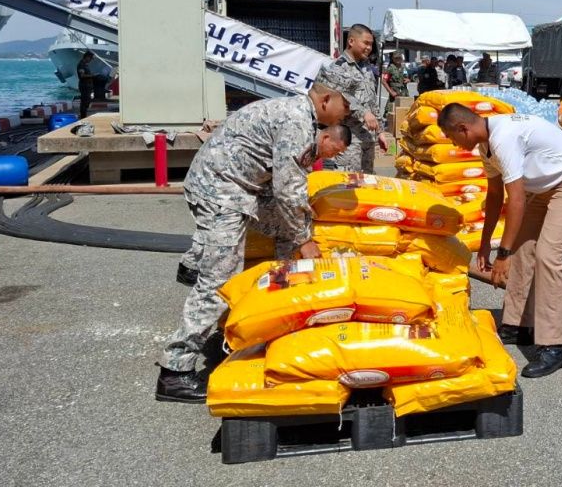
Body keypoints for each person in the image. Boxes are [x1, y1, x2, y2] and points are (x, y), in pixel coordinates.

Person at [156, 75, 358, 403]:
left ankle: (271, 303)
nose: (344, 117)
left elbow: (285, 190)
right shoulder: (297, 123)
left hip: (241, 185)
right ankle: (175, 371)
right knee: (219, 279)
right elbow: (288, 190)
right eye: (343, 108)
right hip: (222, 190)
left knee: (284, 230)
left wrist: (295, 232)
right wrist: (304, 238)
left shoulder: (297, 113)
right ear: (325, 102)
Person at [438, 104, 562, 379]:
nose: (454, 143)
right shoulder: (485, 145)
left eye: (453, 137)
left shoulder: (503, 137)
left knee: (548, 256)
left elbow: (517, 199)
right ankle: (518, 324)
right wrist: (487, 241)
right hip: (546, 187)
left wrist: (503, 253)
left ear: (463, 128)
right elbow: (494, 195)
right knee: (524, 250)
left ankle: (555, 345)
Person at [316, 24, 388, 173]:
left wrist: (380, 131)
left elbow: (371, 101)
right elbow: (338, 98)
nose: (369, 48)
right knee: (348, 185)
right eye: (365, 43)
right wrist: (363, 113)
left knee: (366, 182)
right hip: (348, 141)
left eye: (371, 44)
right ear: (351, 42)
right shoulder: (338, 67)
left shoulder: (366, 68)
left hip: (367, 138)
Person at [76, 51, 97, 118]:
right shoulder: (81, 65)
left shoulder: (85, 65)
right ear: (87, 57)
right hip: (84, 85)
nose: (90, 60)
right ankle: (83, 116)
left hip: (88, 86)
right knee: (84, 102)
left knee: (87, 101)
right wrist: (92, 75)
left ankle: (84, 115)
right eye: (90, 58)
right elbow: (82, 76)